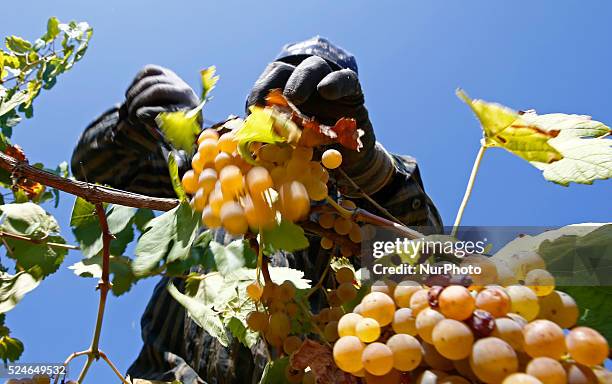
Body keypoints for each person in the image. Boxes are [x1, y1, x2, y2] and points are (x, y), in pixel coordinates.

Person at [71, 36, 442, 384]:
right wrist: (135, 120)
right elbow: (95, 173)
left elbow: (442, 275)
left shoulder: (364, 191)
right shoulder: (217, 163)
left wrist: (371, 174)